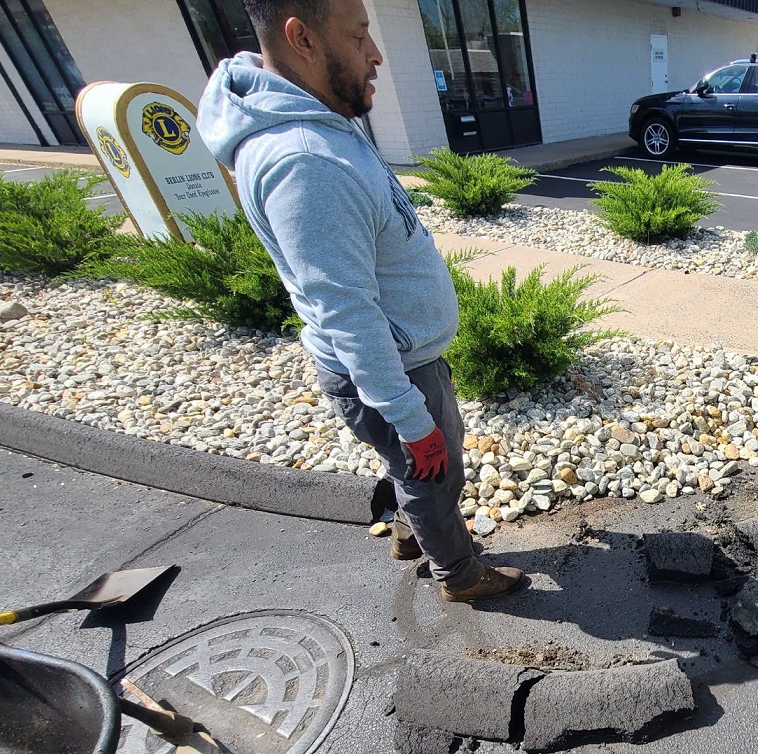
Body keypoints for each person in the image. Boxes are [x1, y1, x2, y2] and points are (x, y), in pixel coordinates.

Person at [197, 0, 525, 603]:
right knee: (432, 470)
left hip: (398, 360)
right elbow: (345, 310)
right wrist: (409, 415)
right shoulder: (304, 160)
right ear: (302, 39)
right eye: (359, 36)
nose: (376, 54)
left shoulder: (314, 120)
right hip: (395, 369)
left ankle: (409, 531)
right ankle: (459, 573)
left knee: (409, 469)